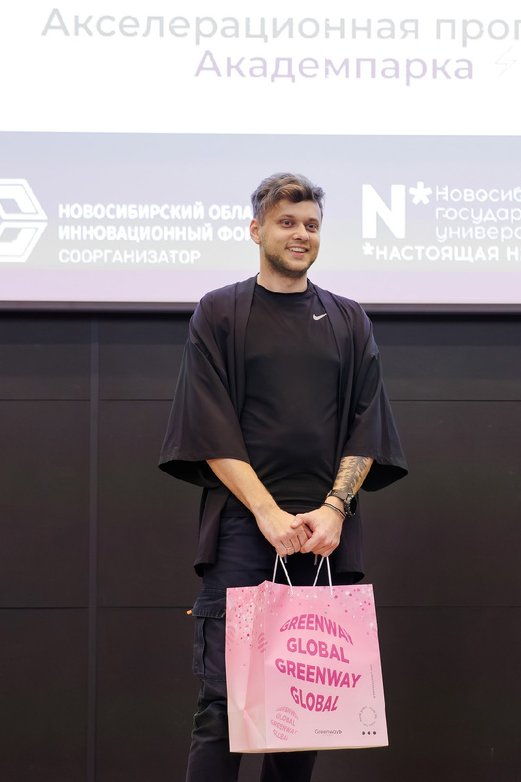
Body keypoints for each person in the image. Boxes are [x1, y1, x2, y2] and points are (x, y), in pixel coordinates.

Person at [159, 172, 407, 782]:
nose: (301, 234)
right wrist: (267, 513)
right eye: (287, 222)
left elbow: (367, 426)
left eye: (311, 225)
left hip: (324, 538)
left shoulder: (349, 320)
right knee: (223, 709)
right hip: (242, 533)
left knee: (304, 715)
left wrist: (334, 510)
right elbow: (209, 427)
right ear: (256, 230)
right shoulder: (219, 312)